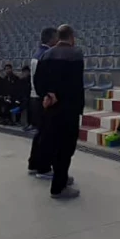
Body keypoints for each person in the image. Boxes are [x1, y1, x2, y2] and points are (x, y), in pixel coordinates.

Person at [34, 24, 85, 200]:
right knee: (66, 149)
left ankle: (60, 178)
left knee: (55, 146)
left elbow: (38, 80)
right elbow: (75, 85)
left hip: (51, 109)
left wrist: (48, 95)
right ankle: (58, 187)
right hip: (68, 110)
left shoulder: (47, 54)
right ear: (71, 37)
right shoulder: (76, 54)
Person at [27, 27, 59, 176]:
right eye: (56, 38)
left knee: (40, 133)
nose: (58, 41)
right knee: (47, 135)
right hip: (42, 99)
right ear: (51, 39)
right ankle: (44, 168)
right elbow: (44, 81)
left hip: (35, 98)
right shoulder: (46, 55)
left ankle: (33, 163)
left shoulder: (37, 54)